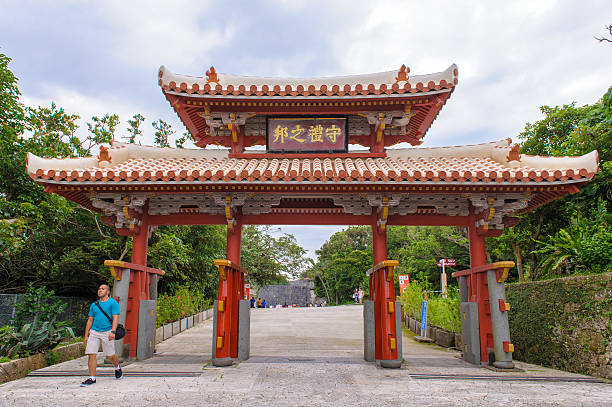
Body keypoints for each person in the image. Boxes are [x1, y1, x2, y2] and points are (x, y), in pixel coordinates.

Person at [81, 283, 122, 386]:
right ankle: (92, 378)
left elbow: (115, 317)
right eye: (99, 289)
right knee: (91, 354)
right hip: (94, 332)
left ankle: (117, 367)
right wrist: (86, 335)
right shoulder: (94, 305)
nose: (100, 290)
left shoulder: (113, 303)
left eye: (103, 289)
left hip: (107, 332)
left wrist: (113, 331)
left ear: (108, 292)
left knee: (110, 356)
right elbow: (90, 320)